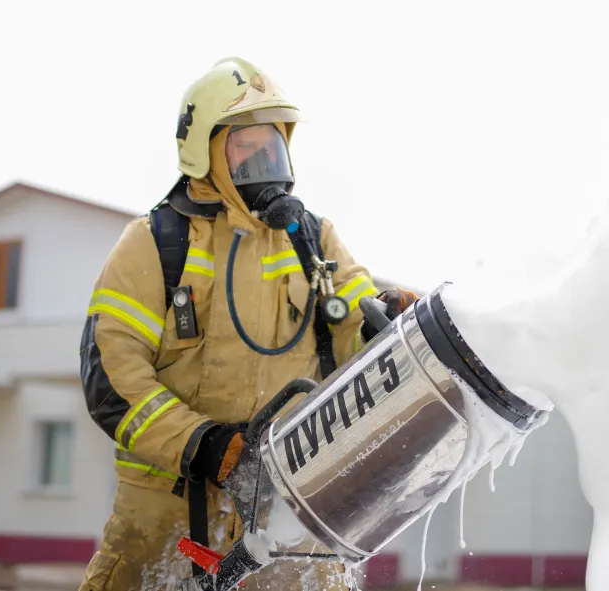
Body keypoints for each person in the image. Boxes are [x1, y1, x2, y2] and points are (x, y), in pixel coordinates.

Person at [78, 57, 417, 591]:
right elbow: (112, 382)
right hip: (166, 518)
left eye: (274, 145)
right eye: (246, 147)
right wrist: (204, 445)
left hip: (290, 516)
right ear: (206, 152)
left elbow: (355, 331)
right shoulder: (153, 244)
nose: (265, 160)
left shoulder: (314, 239)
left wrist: (386, 326)